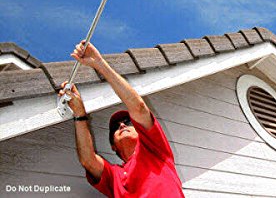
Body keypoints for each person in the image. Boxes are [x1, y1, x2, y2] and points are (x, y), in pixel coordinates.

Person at [59, 40, 184, 197]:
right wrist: (79, 113)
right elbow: (88, 161)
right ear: (113, 146)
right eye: (115, 128)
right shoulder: (114, 176)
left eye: (127, 122)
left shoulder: (155, 150)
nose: (122, 125)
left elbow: (138, 107)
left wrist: (99, 63)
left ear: (141, 133)